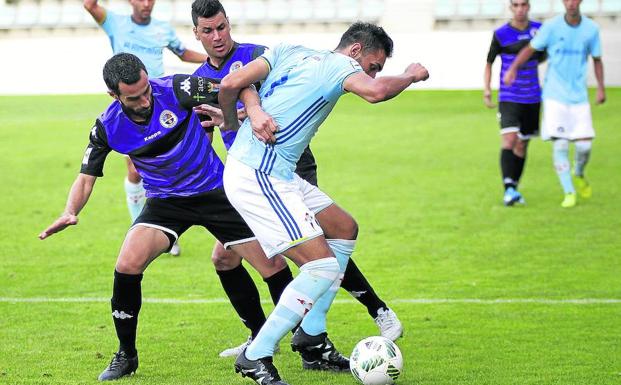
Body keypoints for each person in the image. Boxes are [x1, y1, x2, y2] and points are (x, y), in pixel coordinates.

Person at [38, 53, 287, 382]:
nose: (145, 99)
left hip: (215, 192)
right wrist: (70, 212)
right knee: (127, 263)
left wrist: (251, 110)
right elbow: (86, 177)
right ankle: (126, 355)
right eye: (134, 97)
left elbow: (235, 85)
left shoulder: (177, 87)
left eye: (145, 90)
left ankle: (294, 339)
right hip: (165, 202)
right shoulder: (107, 126)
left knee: (272, 266)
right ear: (114, 96)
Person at [190, 0, 403, 359]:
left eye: (222, 27)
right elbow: (211, 124)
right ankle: (272, 340)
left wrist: (250, 111)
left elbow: (259, 94)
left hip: (286, 165)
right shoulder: (198, 80)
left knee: (327, 241)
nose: (217, 36)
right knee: (234, 258)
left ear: (229, 24)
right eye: (208, 30)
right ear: (196, 33)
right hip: (253, 172)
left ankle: (312, 334)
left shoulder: (260, 53)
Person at [218, 22, 429, 384]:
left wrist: (236, 129)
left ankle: (311, 337)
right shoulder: (342, 66)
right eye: (373, 65)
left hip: (275, 171)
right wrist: (409, 75)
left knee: (344, 228)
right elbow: (376, 93)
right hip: (260, 176)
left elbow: (231, 84)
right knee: (323, 268)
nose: (372, 74)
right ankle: (256, 355)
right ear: (356, 51)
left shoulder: (290, 50)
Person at [84, 0, 207, 254]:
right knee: (135, 168)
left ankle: (168, 220)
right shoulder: (114, 22)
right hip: (131, 108)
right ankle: (142, 226)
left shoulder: (163, 28)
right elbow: (89, 5)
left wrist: (216, 59)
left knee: (193, 152)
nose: (147, 3)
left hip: (162, 102)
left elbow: (183, 53)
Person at [504, 0, 605, 208]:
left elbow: (597, 59)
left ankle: (578, 172)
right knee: (560, 144)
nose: (570, 3)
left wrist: (601, 87)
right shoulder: (551, 27)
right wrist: (513, 68)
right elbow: (530, 49)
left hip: (579, 97)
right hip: (554, 96)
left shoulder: (591, 29)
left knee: (584, 146)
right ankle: (569, 192)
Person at [484, 0, 545, 206]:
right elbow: (489, 62)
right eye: (516, 5)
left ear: (529, 7)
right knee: (509, 140)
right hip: (509, 96)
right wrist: (487, 90)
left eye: (524, 5)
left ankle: (514, 187)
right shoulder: (501, 33)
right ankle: (508, 188)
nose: (520, 9)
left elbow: (545, 55)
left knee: (522, 144)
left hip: (533, 96)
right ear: (511, 7)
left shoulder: (539, 30)